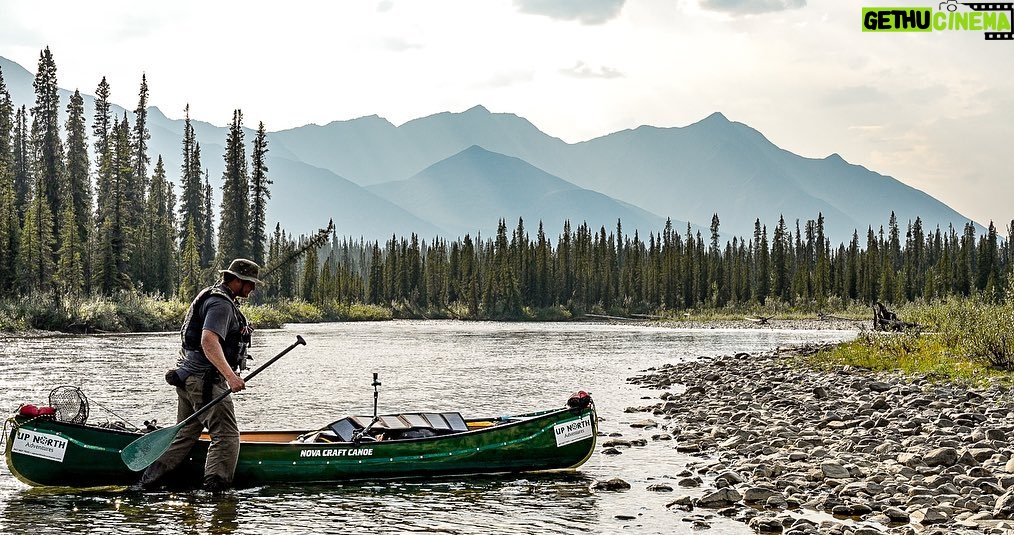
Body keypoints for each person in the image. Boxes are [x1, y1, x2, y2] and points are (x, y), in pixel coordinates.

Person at [137, 258, 260, 492]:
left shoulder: (213, 296)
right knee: (226, 436)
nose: (252, 289)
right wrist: (230, 377)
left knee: (185, 434)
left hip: (187, 378)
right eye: (250, 283)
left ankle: (146, 483)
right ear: (237, 280)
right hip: (204, 381)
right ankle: (216, 493)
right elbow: (208, 341)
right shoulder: (221, 304)